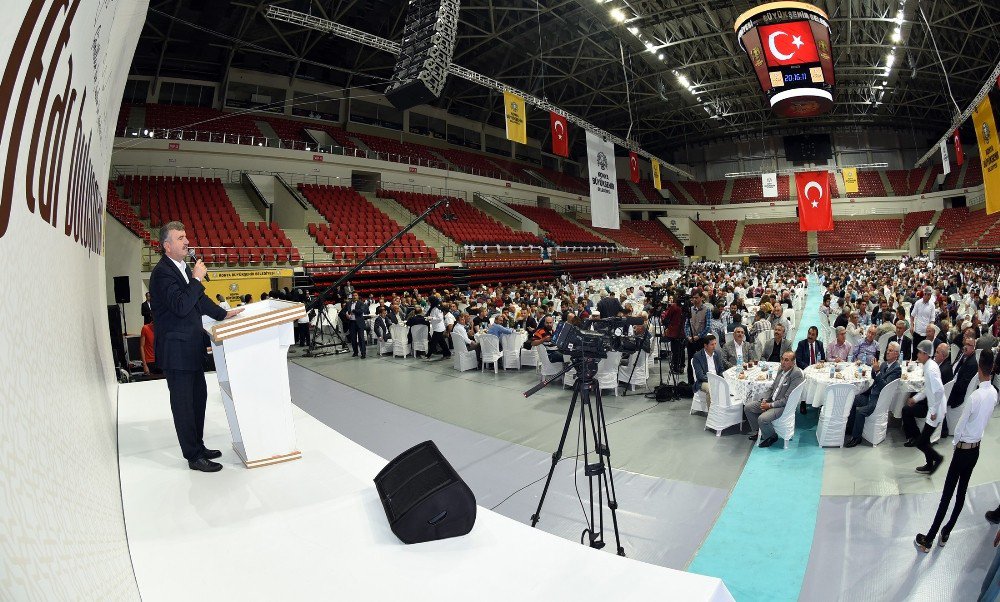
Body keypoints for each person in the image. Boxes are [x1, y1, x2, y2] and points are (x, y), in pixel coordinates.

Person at [149, 221, 243, 473]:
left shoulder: (183, 267)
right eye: (180, 238)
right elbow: (181, 305)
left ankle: (198, 446)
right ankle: (192, 456)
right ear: (167, 246)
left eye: (186, 236)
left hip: (191, 348)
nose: (187, 241)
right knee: (184, 404)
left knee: (197, 400)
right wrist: (197, 279)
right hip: (176, 350)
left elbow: (198, 300)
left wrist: (224, 315)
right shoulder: (162, 273)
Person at [915, 350, 997, 552]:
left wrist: (955, 445)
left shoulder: (976, 396)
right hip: (976, 449)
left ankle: (929, 538)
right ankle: (946, 532)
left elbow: (960, 427)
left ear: (979, 368)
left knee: (947, 495)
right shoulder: (994, 393)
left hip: (963, 450)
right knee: (961, 492)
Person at [844, 342, 902, 447]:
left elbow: (885, 387)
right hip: (871, 394)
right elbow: (874, 378)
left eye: (890, 350)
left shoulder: (896, 369)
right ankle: (851, 428)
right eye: (887, 350)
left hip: (879, 400)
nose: (887, 352)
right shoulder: (885, 364)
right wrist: (873, 369)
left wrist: (878, 371)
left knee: (860, 412)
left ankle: (856, 438)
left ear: (896, 354)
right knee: (852, 399)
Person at [902, 340, 947, 474]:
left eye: (920, 352)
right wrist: (915, 399)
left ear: (926, 354)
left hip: (936, 410)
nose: (917, 354)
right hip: (934, 407)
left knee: (921, 442)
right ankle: (929, 464)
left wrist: (933, 411)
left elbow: (939, 391)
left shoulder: (931, 369)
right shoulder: (928, 365)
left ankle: (938, 459)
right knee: (924, 440)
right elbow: (927, 389)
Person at [744, 351, 803, 447]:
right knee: (748, 408)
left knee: (762, 419)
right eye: (782, 359)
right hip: (771, 400)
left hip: (783, 406)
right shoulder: (781, 369)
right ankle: (761, 431)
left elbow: (787, 399)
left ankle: (772, 436)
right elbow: (772, 388)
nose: (783, 362)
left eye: (786, 360)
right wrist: (765, 400)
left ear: (793, 362)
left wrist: (770, 405)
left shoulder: (796, 374)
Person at [942, 337, 981, 437]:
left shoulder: (972, 364)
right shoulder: (963, 355)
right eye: (965, 344)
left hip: (957, 394)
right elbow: (954, 369)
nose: (966, 347)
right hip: (953, 385)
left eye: (969, 345)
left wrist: (949, 386)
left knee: (938, 397)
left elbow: (962, 387)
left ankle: (943, 429)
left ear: (974, 348)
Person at [685, 292, 712, 383]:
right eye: (693, 298)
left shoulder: (707, 310)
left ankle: (702, 382)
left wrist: (698, 336)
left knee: (702, 362)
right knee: (690, 362)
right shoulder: (690, 309)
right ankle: (691, 383)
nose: (694, 300)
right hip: (691, 340)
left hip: (701, 340)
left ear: (701, 298)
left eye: (696, 297)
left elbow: (708, 326)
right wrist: (688, 336)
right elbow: (686, 325)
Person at [692, 334, 724, 407]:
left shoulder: (717, 353)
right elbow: (700, 376)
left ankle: (723, 408)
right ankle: (712, 414)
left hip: (717, 379)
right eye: (712, 344)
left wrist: (721, 378)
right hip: (704, 381)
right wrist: (714, 380)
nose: (714, 346)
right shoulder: (697, 356)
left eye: (715, 344)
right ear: (705, 346)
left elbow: (721, 370)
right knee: (711, 390)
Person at [425, 296, 451, 361]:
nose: (428, 302)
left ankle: (428, 355)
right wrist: (430, 318)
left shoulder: (437, 309)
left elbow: (440, 318)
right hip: (436, 327)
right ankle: (447, 353)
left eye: (429, 301)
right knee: (442, 342)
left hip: (439, 328)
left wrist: (431, 318)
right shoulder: (433, 308)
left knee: (433, 342)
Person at [911, 286, 937, 352]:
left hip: (926, 334)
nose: (929, 297)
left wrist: (930, 330)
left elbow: (932, 319)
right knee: (915, 353)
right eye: (928, 295)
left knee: (925, 353)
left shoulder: (932, 305)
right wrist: (912, 326)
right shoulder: (918, 303)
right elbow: (912, 316)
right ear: (924, 294)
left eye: (930, 295)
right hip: (917, 332)